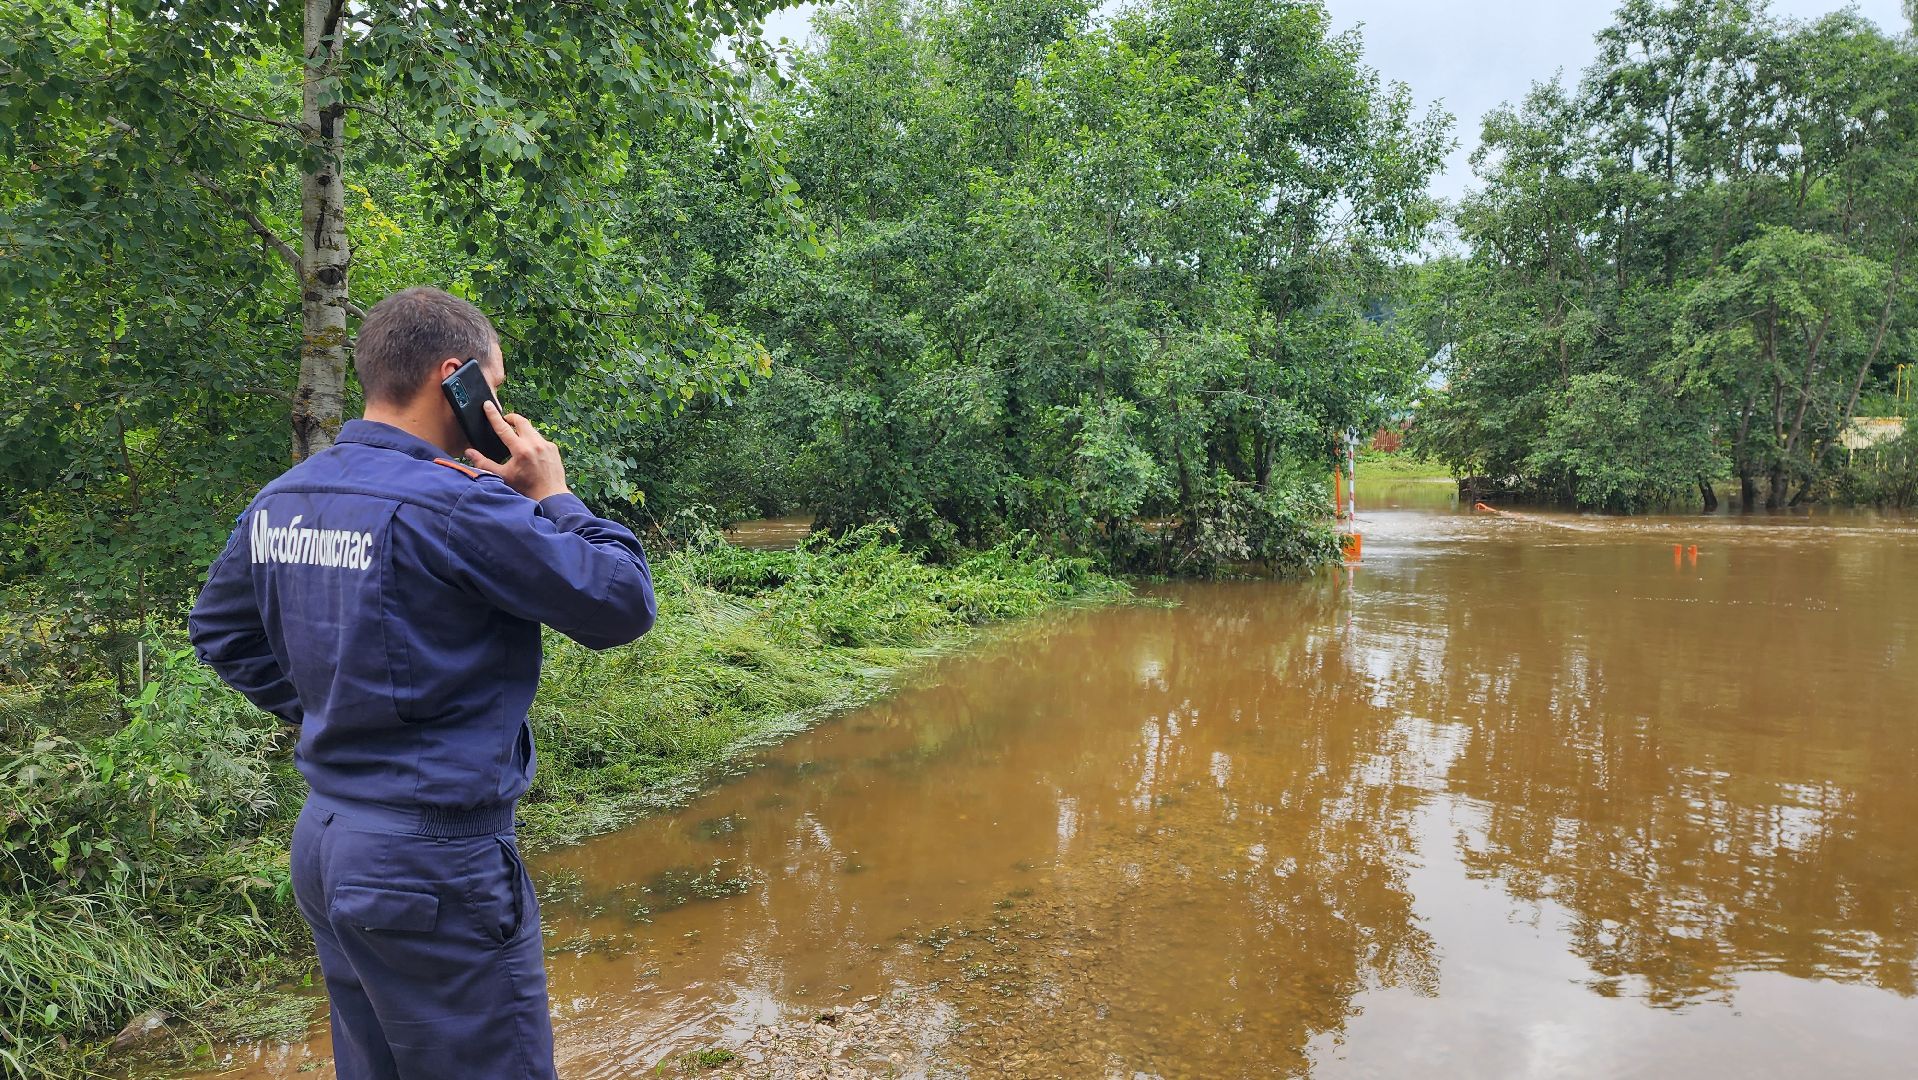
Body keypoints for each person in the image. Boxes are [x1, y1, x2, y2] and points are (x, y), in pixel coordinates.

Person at [188, 286, 656, 1079]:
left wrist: (333, 707)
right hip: (433, 865)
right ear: (455, 377)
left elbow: (221, 631)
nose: (499, 410)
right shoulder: (457, 506)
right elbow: (620, 603)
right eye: (494, 391)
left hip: (330, 843)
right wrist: (554, 495)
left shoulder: (285, 497)